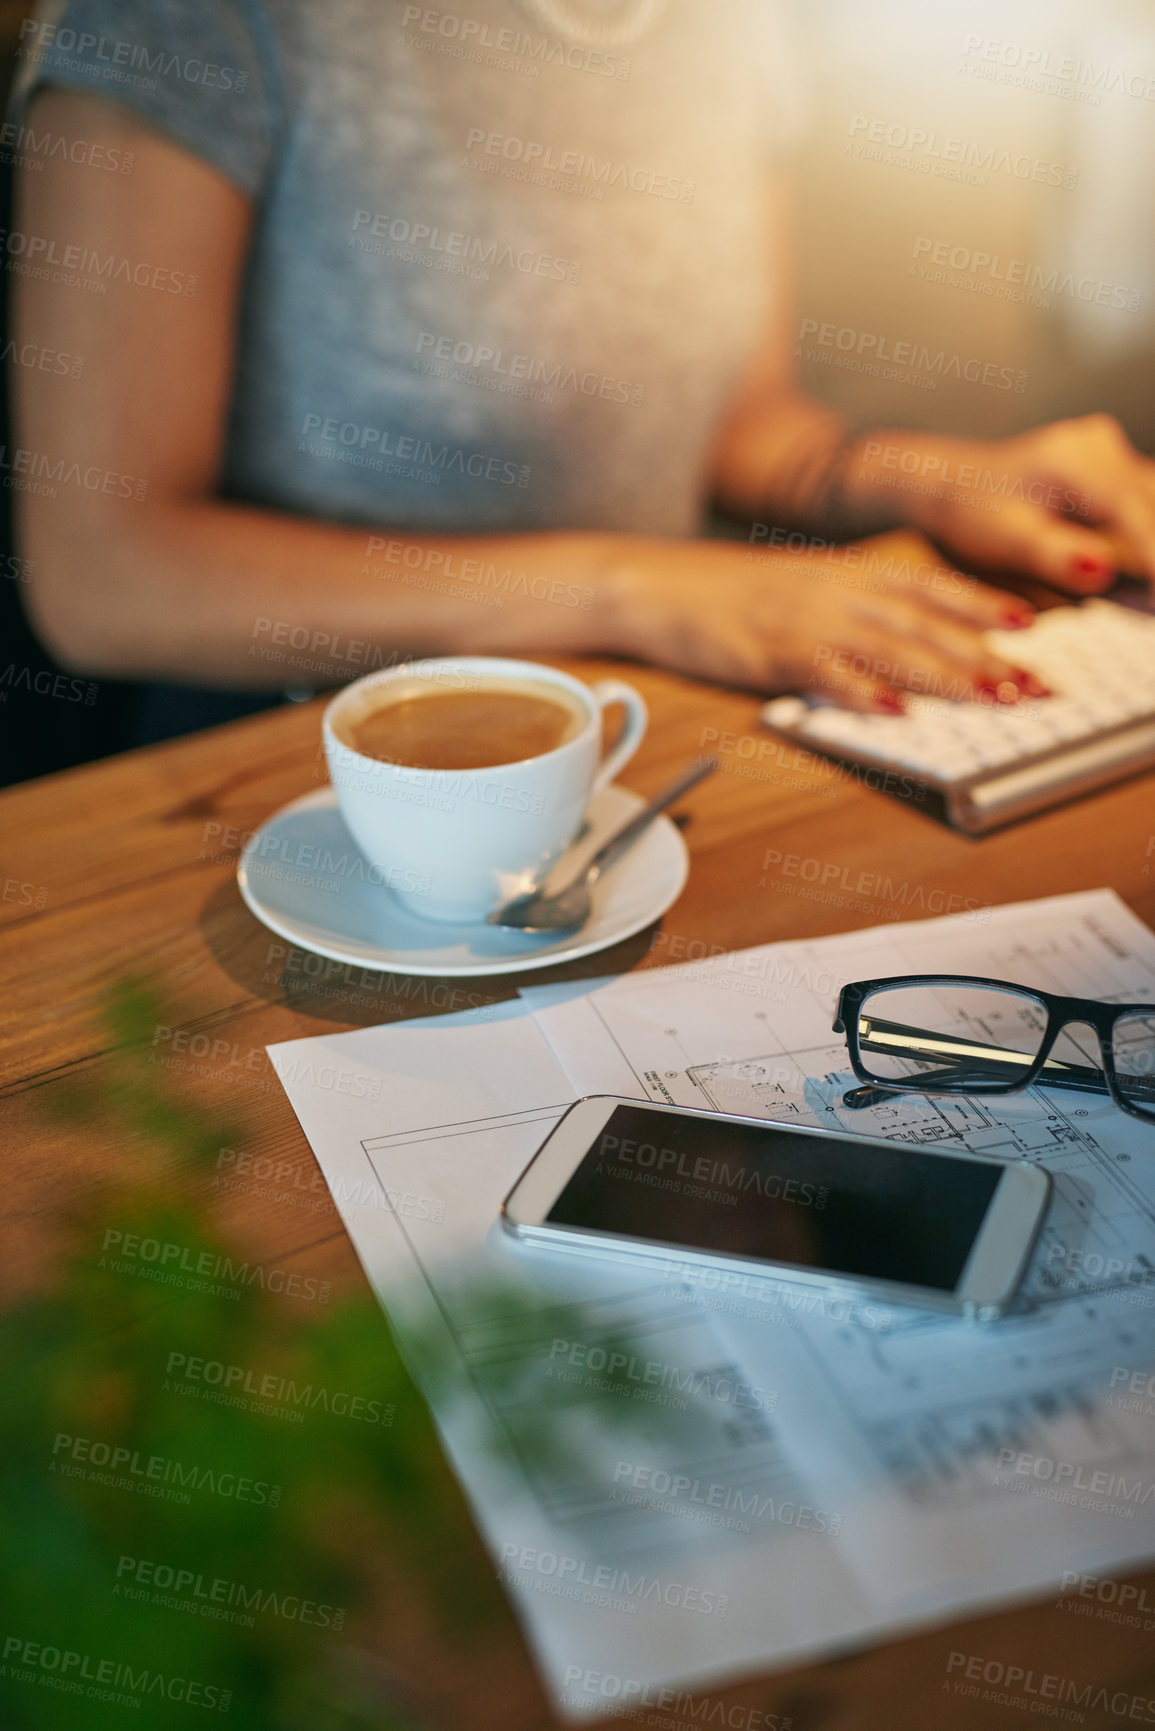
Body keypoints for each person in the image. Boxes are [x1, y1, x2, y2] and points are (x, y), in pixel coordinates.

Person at [8, 0, 1155, 716]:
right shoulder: (189, 23)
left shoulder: (723, 24)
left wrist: (938, 480)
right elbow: (105, 577)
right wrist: (632, 587)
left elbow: (742, 423)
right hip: (300, 762)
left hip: (638, 713)